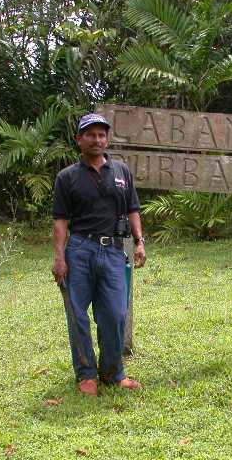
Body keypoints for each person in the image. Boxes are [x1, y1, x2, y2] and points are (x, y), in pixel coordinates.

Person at [51, 113, 146, 396]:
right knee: (77, 315)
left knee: (115, 314)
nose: (97, 139)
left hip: (114, 251)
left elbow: (133, 209)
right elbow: (60, 221)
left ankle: (113, 373)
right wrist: (60, 257)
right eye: (90, 135)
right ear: (79, 139)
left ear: (107, 139)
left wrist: (139, 241)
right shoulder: (67, 177)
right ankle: (87, 375)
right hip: (80, 249)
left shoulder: (121, 172)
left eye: (101, 134)